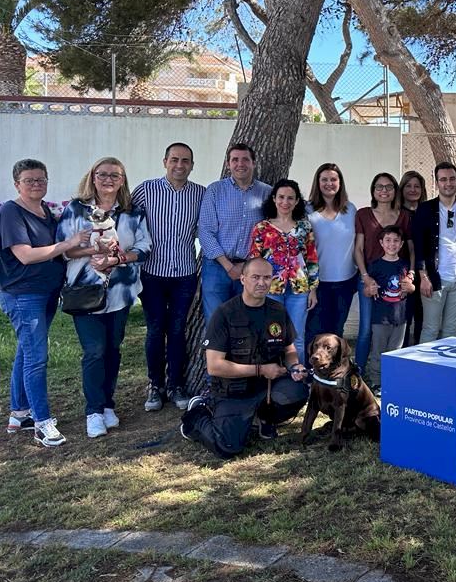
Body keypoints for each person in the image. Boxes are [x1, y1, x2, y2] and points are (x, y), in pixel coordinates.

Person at [57, 157, 152, 439]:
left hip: (120, 293)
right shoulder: (77, 209)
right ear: (93, 177)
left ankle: (108, 404)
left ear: (122, 180)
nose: (108, 179)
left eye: (115, 175)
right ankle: (94, 411)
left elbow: (145, 248)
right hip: (85, 292)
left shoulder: (132, 212)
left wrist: (116, 258)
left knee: (112, 349)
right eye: (102, 174)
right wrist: (93, 251)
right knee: (94, 351)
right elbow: (64, 249)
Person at [179, 258, 309, 458]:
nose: (261, 283)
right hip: (234, 391)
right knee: (227, 447)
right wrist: (261, 369)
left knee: (298, 390)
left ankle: (265, 420)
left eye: (267, 277)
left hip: (267, 387)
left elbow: (289, 350)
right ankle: (197, 416)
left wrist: (294, 366)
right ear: (243, 279)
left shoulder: (277, 311)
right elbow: (215, 366)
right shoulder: (225, 313)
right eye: (255, 277)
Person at [0, 159, 91, 447]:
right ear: (17, 184)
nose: (36, 184)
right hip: (24, 294)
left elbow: (56, 252)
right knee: (36, 358)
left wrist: (91, 248)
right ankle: (42, 423)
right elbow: (26, 255)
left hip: (47, 292)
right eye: (29, 180)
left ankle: (19, 414)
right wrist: (69, 243)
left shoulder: (45, 212)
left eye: (41, 179)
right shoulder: (11, 212)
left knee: (26, 352)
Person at [131, 142, 205, 413]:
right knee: (155, 329)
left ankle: (176, 385)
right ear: (165, 162)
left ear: (192, 165)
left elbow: (205, 229)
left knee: (176, 330)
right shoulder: (145, 190)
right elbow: (128, 224)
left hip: (184, 274)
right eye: (174, 159)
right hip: (152, 273)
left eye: (185, 161)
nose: (179, 165)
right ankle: (155, 385)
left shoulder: (200, 194)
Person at [197, 144, 271, 322]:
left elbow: (271, 233)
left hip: (251, 269)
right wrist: (228, 266)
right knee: (216, 321)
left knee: (247, 320)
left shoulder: (267, 193)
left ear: (253, 163)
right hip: (216, 267)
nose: (240, 164)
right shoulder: (215, 190)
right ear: (228, 164)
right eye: (235, 160)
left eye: (245, 159)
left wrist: (246, 266)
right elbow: (205, 231)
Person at [249, 179, 319, 365]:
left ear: (297, 201)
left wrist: (313, 289)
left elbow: (311, 259)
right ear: (274, 199)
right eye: (281, 197)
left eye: (290, 198)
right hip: (270, 290)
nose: (285, 202)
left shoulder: (304, 227)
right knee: (270, 336)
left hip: (299, 291)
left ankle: (296, 376)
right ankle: (271, 377)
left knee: (297, 337)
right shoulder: (262, 228)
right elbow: (254, 261)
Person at [412, 163, 456, 341]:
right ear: (436, 183)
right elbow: (419, 246)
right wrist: (423, 277)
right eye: (443, 179)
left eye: (452, 179)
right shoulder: (425, 209)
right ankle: (426, 360)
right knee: (430, 329)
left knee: (451, 330)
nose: (448, 183)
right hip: (434, 279)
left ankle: (446, 361)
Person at [354, 173, 412, 370]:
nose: (384, 190)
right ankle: (359, 372)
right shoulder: (363, 214)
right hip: (369, 278)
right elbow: (358, 249)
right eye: (379, 186)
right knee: (366, 329)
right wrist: (365, 276)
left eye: (389, 187)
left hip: (395, 280)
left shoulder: (404, 216)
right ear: (373, 190)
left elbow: (411, 249)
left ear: (395, 190)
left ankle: (391, 374)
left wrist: (410, 276)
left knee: (396, 328)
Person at [306, 163, 358, 344]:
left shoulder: (350, 209)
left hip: (346, 282)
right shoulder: (307, 210)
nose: (329, 183)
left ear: (340, 182)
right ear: (318, 182)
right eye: (324, 179)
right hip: (318, 283)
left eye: (333, 179)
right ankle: (312, 363)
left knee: (337, 331)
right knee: (314, 331)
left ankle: (335, 363)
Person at [365, 226, 415, 391]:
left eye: (395, 241)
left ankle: (392, 381)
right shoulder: (375, 265)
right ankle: (376, 381)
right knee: (378, 351)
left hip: (400, 317)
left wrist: (411, 288)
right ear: (381, 243)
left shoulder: (405, 265)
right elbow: (366, 290)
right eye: (388, 240)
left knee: (396, 351)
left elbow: (411, 288)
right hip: (380, 317)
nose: (392, 244)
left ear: (401, 244)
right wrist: (369, 290)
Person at [399, 170, 427, 347]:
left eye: (417, 186)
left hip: (424, 270)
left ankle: (419, 351)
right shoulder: (397, 213)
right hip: (403, 270)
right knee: (404, 316)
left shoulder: (427, 211)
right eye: (408, 186)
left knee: (422, 315)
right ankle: (402, 351)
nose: (413, 189)